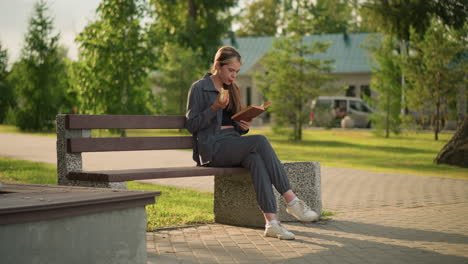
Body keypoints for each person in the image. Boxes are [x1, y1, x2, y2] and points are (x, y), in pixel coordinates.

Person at [185, 46, 319, 240]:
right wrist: (214, 108)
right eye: (230, 70)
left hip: (232, 144)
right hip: (212, 148)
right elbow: (192, 125)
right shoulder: (199, 88)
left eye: (237, 72)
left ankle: (272, 223)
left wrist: (243, 125)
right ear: (217, 65)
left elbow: (235, 125)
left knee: (256, 159)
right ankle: (292, 201)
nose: (233, 76)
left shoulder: (233, 89)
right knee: (260, 141)